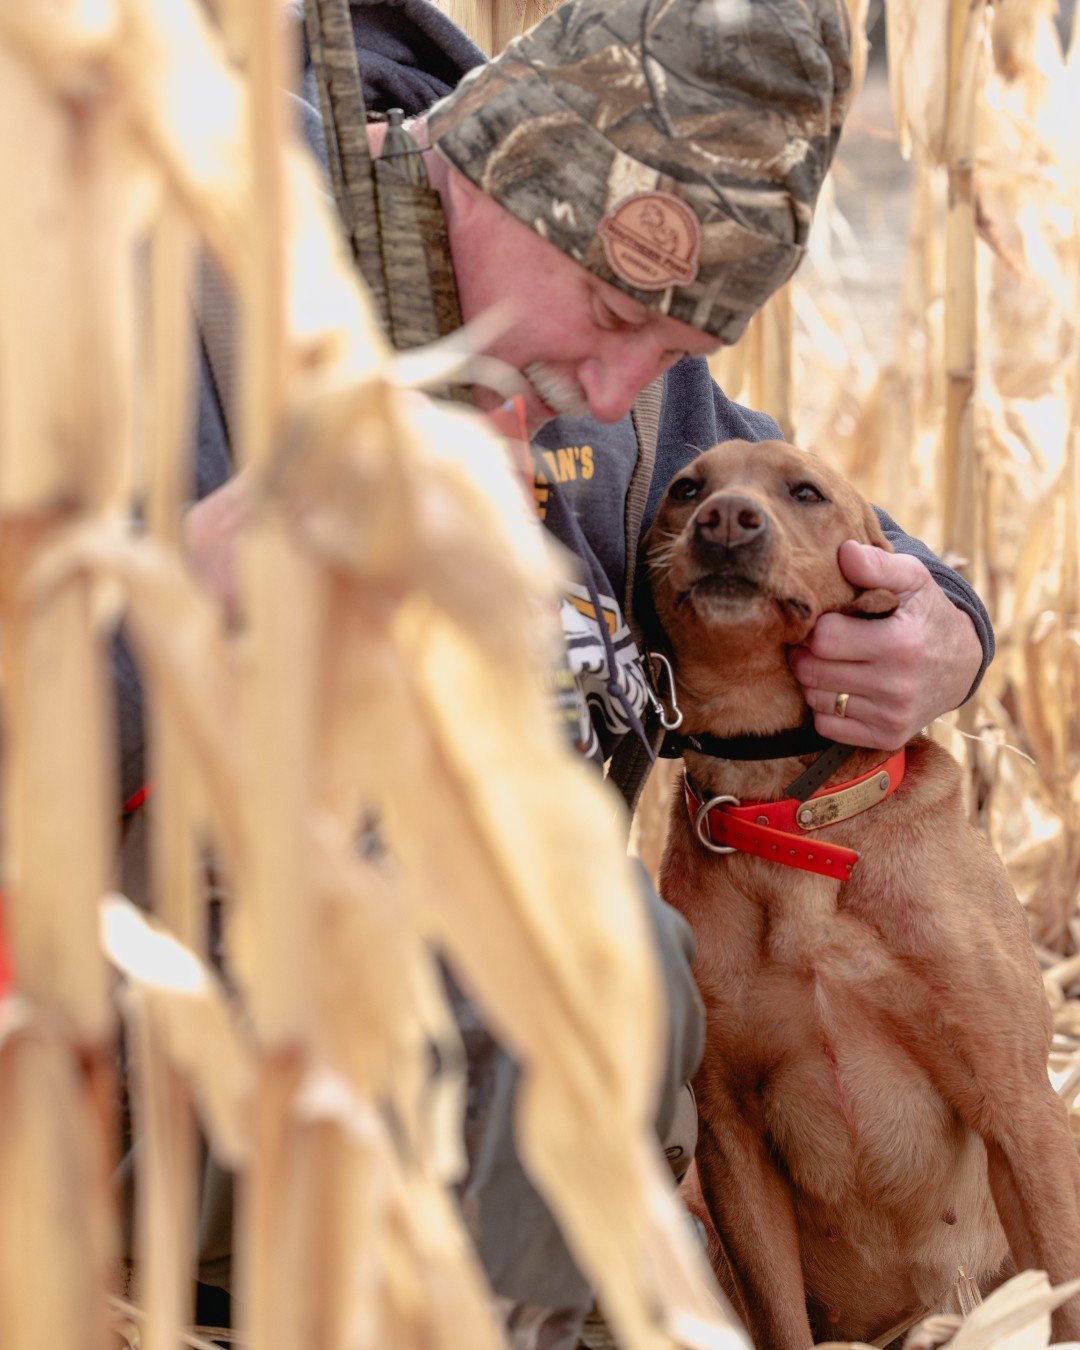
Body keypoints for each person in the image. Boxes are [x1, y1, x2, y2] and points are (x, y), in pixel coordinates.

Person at [115, 0, 994, 1345]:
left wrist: (941, 634)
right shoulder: (167, 255)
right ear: (506, 161)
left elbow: (852, 535)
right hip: (154, 1066)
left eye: (677, 354)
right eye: (608, 308)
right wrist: (191, 581)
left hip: (529, 1142)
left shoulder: (627, 392)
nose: (615, 381)